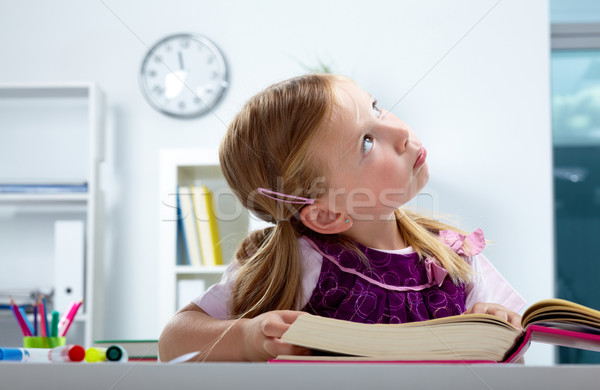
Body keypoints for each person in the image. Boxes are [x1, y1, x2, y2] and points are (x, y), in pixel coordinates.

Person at [158, 74, 526, 362]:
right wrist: (248, 338)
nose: (400, 132)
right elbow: (174, 340)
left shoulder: (453, 252)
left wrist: (498, 323)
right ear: (327, 215)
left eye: (377, 108)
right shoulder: (304, 263)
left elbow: (518, 341)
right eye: (366, 142)